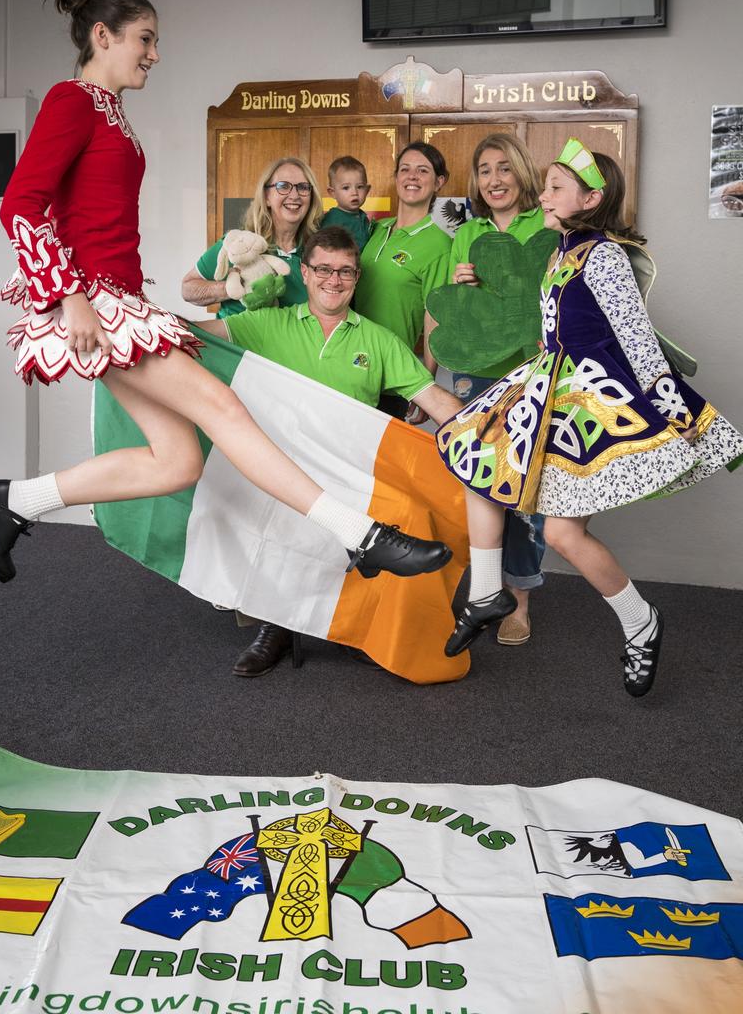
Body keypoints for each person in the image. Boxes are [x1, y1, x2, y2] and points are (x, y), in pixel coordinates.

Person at [0, 0, 452, 591]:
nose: (154, 53)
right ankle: (363, 535)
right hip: (96, 304)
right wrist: (71, 296)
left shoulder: (108, 110)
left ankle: (14, 499)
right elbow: (20, 204)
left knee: (177, 461)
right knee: (225, 410)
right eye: (144, 39)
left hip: (117, 300)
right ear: (102, 36)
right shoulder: (73, 101)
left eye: (155, 41)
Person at [436, 138, 743, 696]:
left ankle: (639, 620)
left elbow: (638, 341)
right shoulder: (559, 253)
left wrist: (681, 414)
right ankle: (486, 590)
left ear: (590, 197)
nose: (544, 194)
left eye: (556, 187)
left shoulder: (602, 255)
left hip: (588, 398)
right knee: (480, 458)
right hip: (548, 383)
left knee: (561, 532)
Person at [198, 225, 464, 676]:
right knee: (270, 505)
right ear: (305, 272)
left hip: (350, 472)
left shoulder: (378, 341)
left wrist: (487, 437)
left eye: (344, 272)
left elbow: (438, 402)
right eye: (323, 269)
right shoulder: (266, 323)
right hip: (283, 467)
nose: (333, 280)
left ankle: (361, 626)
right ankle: (275, 624)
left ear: (357, 278)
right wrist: (128, 320)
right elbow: (194, 332)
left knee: (407, 513)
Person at [438, 133, 550, 646]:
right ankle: (483, 589)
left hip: (529, 371)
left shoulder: (546, 222)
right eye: (484, 170)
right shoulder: (467, 232)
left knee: (525, 490)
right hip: (475, 371)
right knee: (479, 483)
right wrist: (463, 289)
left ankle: (519, 601)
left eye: (504, 168)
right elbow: (454, 309)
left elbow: (550, 298)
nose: (494, 179)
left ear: (521, 173)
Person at [353, 141, 452, 419]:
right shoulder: (375, 230)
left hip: (388, 377)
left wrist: (425, 387)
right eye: (405, 169)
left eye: (423, 171)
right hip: (346, 364)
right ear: (396, 177)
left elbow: (435, 318)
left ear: (439, 182)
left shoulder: (439, 244)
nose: (412, 176)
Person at [181, 156, 321, 318]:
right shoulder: (240, 244)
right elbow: (188, 288)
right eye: (283, 186)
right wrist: (235, 288)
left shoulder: (315, 252)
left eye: (303, 187)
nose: (294, 195)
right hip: (237, 342)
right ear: (267, 197)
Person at [321, 155, 373, 252]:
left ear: (367, 190)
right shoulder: (332, 219)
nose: (354, 193)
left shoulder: (363, 217)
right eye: (346, 188)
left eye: (360, 187)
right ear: (332, 193)